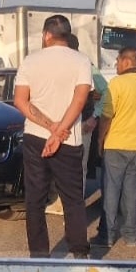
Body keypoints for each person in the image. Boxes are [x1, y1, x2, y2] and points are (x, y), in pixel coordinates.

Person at [12, 15, 93, 258]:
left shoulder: (30, 61)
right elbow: (80, 100)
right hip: (70, 139)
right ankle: (79, 252)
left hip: (35, 137)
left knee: (35, 199)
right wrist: (59, 133)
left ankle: (39, 256)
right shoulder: (81, 61)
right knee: (73, 199)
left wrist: (50, 128)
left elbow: (20, 101)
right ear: (67, 35)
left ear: (46, 35)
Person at [98, 46, 136, 247]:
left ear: (127, 61)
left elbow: (107, 114)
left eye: (118, 60)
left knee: (111, 191)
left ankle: (107, 236)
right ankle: (131, 236)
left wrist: (100, 139)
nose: (116, 64)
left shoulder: (117, 83)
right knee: (131, 192)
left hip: (115, 145)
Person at [47, 32, 107, 216]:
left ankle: (72, 206)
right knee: (60, 166)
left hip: (79, 126)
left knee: (77, 167)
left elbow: (107, 93)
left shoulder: (87, 66)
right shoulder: (61, 66)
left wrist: (94, 117)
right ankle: (60, 203)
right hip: (61, 124)